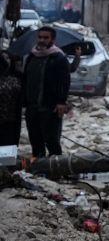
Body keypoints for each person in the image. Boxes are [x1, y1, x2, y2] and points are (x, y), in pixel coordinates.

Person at [21, 26, 72, 157]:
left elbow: (65, 82)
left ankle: (56, 167)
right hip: (32, 107)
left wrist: (61, 102)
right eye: (40, 37)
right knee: (35, 141)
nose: (42, 40)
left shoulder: (58, 58)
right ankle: (38, 166)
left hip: (50, 107)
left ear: (52, 40)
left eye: (46, 38)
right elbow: (26, 79)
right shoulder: (31, 56)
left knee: (52, 141)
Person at [0, 52, 22, 147]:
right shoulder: (15, 81)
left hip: (8, 122)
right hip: (11, 124)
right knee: (7, 151)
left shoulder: (13, 81)